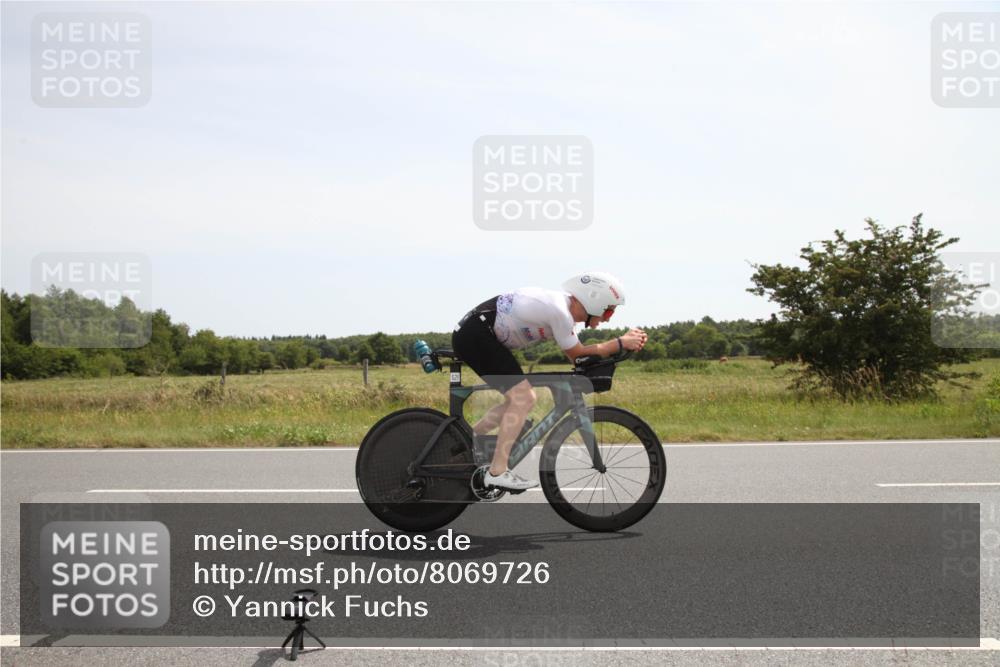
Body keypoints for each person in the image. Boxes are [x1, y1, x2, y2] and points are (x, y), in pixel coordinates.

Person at [451, 272, 647, 491]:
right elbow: (578, 354)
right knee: (523, 398)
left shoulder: (562, 311)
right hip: (477, 334)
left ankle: (463, 441)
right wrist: (620, 343)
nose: (609, 317)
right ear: (594, 299)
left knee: (516, 400)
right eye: (609, 310)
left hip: (478, 332)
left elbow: (579, 356)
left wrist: (619, 346)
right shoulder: (559, 311)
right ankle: (497, 472)